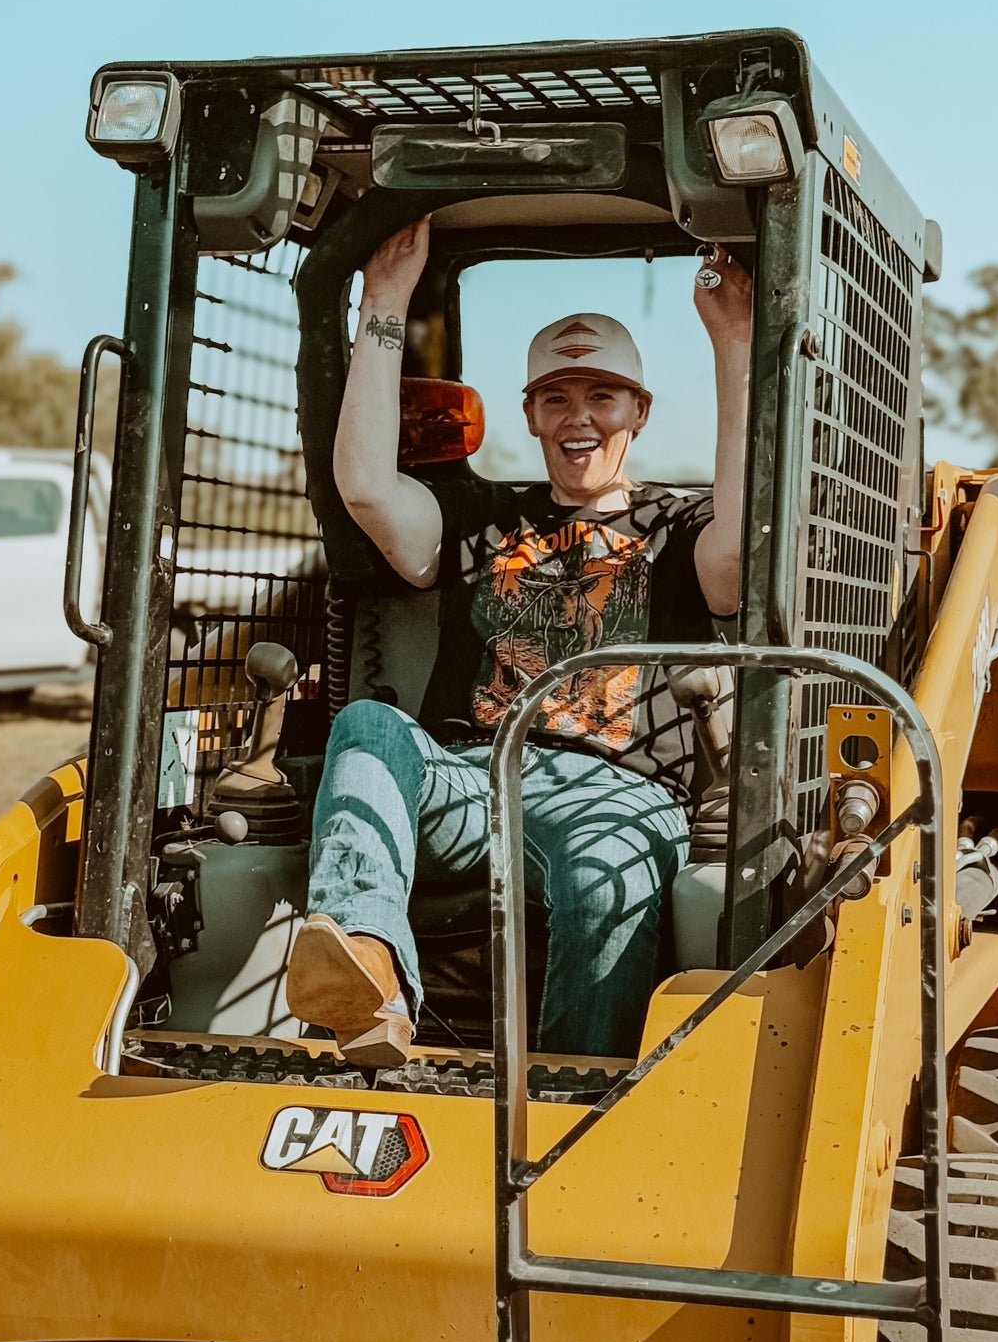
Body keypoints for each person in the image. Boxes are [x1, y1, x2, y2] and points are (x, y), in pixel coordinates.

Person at [285, 216, 753, 1065]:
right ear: (530, 415)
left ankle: (580, 1086)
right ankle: (369, 974)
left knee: (603, 865)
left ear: (637, 412)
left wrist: (733, 343)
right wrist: (383, 298)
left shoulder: (681, 529)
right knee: (366, 727)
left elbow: (744, 538)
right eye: (556, 398)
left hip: (620, 788)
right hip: (474, 775)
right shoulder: (481, 518)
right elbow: (361, 486)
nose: (580, 419)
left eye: (601, 396)